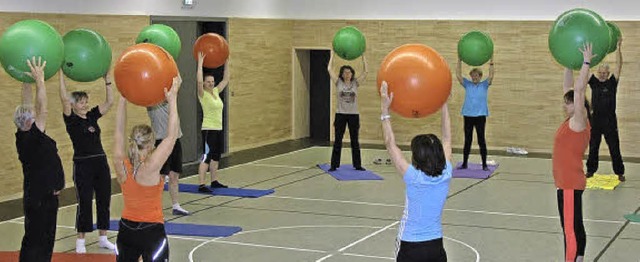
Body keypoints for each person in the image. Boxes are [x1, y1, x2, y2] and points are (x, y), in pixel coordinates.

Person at [380, 81, 452, 262]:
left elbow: (390, 143)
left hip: (410, 246)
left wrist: (384, 109)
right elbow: (447, 138)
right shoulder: (446, 173)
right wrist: (443, 103)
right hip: (436, 247)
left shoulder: (413, 177)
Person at [113, 75, 182, 261]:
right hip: (151, 231)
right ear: (151, 144)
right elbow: (171, 136)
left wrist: (122, 98)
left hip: (126, 230)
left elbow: (118, 131)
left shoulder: (121, 162)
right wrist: (173, 99)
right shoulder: (151, 166)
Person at [59, 70, 116, 253]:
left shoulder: (92, 116)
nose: (84, 105)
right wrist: (60, 73)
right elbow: (63, 97)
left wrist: (107, 81)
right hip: (83, 165)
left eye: (85, 102)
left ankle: (103, 238)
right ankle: (80, 242)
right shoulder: (71, 120)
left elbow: (109, 103)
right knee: (84, 201)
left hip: (100, 162)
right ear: (74, 105)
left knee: (104, 200)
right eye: (81, 102)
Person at [15, 57, 65, 261]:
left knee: (33, 238)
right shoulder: (33, 136)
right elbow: (42, 107)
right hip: (42, 199)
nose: (37, 115)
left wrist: (26, 81)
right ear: (29, 121)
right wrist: (40, 80)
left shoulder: (23, 134)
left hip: (36, 196)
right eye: (33, 115)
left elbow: (28, 105)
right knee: (41, 241)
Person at [554, 43, 593, 262]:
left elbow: (578, 91)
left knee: (569, 229)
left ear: (578, 106)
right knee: (576, 225)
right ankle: (579, 259)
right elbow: (570, 88)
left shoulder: (579, 121)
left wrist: (586, 62)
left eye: (568, 103)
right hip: (569, 183)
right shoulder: (572, 120)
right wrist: (568, 62)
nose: (565, 104)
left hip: (569, 184)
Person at [586, 38, 625, 182]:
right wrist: (586, 57)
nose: (602, 74)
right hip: (595, 120)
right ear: (598, 73)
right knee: (593, 147)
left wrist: (618, 49)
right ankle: (590, 170)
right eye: (600, 72)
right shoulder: (593, 82)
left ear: (608, 73)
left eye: (605, 72)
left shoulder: (612, 83)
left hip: (610, 121)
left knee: (615, 148)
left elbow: (619, 66)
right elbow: (585, 68)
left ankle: (619, 172)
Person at [327, 50, 368, 171]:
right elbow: (329, 69)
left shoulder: (356, 83)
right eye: (345, 72)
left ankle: (357, 165)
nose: (347, 74)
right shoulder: (338, 82)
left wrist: (363, 56)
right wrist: (333, 55)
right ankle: (334, 165)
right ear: (342, 74)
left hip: (353, 116)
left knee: (354, 140)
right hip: (340, 115)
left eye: (349, 72)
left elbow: (366, 71)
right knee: (338, 140)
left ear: (352, 74)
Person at [147, 102, 190, 215]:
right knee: (160, 176)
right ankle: (154, 207)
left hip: (175, 140)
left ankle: (176, 206)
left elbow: (177, 85)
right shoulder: (152, 102)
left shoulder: (171, 100)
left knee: (174, 175)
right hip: (161, 141)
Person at [196, 52, 229, 193]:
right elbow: (197, 81)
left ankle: (214, 181)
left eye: (212, 81)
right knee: (207, 156)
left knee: (216, 156)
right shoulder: (202, 94)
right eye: (208, 81)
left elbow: (226, 79)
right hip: (208, 129)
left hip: (218, 128)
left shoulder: (216, 91)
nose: (211, 83)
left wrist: (226, 60)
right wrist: (200, 64)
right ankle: (202, 185)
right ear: (204, 83)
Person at [455, 56, 494, 170]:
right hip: (468, 115)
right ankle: (464, 163)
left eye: (476, 76)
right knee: (468, 140)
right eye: (472, 76)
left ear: (480, 76)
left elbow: (491, 75)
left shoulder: (484, 84)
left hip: (480, 116)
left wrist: (491, 63)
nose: (474, 77)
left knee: (481, 140)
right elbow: (458, 75)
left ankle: (484, 165)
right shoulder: (467, 84)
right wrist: (459, 61)